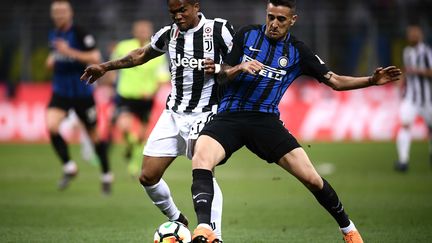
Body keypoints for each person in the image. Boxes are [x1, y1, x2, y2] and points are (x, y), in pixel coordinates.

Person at [189, 0, 402, 242]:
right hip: (230, 115)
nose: (274, 24)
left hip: (265, 120)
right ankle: (205, 228)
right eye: (270, 17)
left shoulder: (298, 52)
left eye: (280, 19)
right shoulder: (247, 34)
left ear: (292, 20)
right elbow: (222, 75)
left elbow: (335, 81)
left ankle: (349, 230)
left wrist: (371, 81)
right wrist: (240, 67)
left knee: (311, 178)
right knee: (201, 157)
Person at [80, 0, 235, 240]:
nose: (178, 16)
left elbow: (237, 64)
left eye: (182, 10)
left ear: (196, 6)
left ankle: (214, 234)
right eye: (173, 12)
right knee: (148, 177)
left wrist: (219, 69)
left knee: (204, 170)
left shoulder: (218, 30)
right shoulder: (168, 34)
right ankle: (178, 220)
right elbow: (141, 54)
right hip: (173, 114)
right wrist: (105, 67)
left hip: (205, 113)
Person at [45, 0, 113, 194]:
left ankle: (106, 174)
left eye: (62, 12)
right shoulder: (54, 34)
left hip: (83, 93)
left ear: (70, 13)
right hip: (61, 92)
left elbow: (95, 58)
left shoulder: (81, 33)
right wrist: (52, 59)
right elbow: (54, 56)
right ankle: (69, 167)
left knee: (94, 137)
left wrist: (69, 52)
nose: (59, 15)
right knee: (51, 126)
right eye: (56, 12)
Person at [109, 20, 170, 176]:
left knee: (142, 136)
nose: (143, 32)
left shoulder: (157, 52)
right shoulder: (124, 46)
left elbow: (162, 77)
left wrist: (152, 91)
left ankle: (133, 163)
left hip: (146, 99)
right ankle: (130, 149)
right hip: (126, 95)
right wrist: (110, 81)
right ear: (134, 31)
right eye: (140, 30)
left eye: (146, 30)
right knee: (124, 126)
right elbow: (114, 64)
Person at [395, 24, 432, 172]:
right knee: (405, 125)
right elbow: (406, 71)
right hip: (411, 98)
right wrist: (401, 83)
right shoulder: (407, 52)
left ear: (420, 35)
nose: (411, 37)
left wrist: (416, 71)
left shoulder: (427, 52)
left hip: (427, 99)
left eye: (414, 34)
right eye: (410, 34)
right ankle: (403, 161)